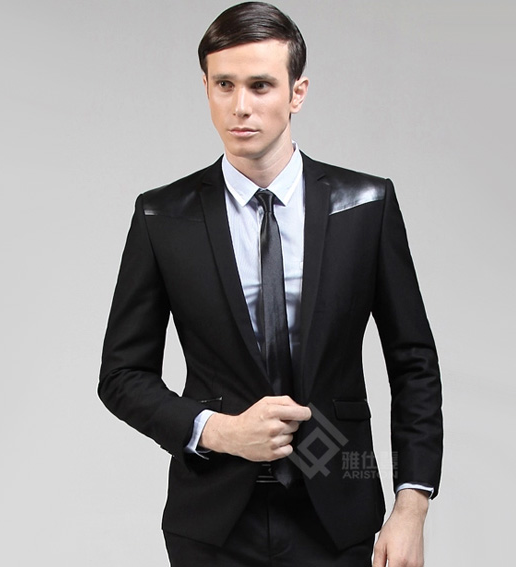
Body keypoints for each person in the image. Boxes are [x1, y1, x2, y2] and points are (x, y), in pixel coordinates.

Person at [98, 2, 443, 566]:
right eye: (224, 85)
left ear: (296, 93)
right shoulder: (163, 215)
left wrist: (412, 507)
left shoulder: (365, 205)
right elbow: (121, 376)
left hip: (338, 511)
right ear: (205, 88)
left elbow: (413, 363)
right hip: (212, 521)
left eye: (260, 85)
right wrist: (218, 431)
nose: (241, 106)